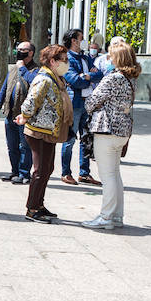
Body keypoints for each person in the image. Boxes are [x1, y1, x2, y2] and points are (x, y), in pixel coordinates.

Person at [83, 41, 141, 229]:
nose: (108, 59)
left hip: (106, 129)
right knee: (115, 174)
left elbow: (91, 102)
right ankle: (116, 215)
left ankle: (106, 216)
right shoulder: (131, 78)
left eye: (110, 56)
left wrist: (95, 104)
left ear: (118, 58)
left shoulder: (112, 78)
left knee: (107, 176)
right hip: (122, 130)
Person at [17, 44, 72, 223]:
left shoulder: (56, 78)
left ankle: (39, 204)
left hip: (49, 130)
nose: (66, 63)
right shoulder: (45, 79)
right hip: (38, 131)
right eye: (63, 60)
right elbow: (31, 101)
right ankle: (32, 209)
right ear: (52, 61)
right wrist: (24, 116)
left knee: (48, 169)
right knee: (40, 171)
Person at [59, 29, 103, 186]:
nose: (84, 41)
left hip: (88, 104)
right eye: (81, 38)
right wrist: (87, 77)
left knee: (87, 139)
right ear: (73, 41)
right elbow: (73, 80)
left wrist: (86, 76)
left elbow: (100, 74)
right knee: (69, 139)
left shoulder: (85, 57)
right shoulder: (67, 58)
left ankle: (84, 173)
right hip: (74, 104)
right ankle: (66, 172)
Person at [0, 41, 37, 184]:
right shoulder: (13, 69)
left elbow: (34, 83)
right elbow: (5, 88)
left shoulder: (36, 70)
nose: (18, 52)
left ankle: (25, 174)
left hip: (25, 116)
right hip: (10, 114)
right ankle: (15, 171)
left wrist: (23, 69)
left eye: (22, 50)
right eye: (17, 49)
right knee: (12, 146)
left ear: (30, 53)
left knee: (24, 146)